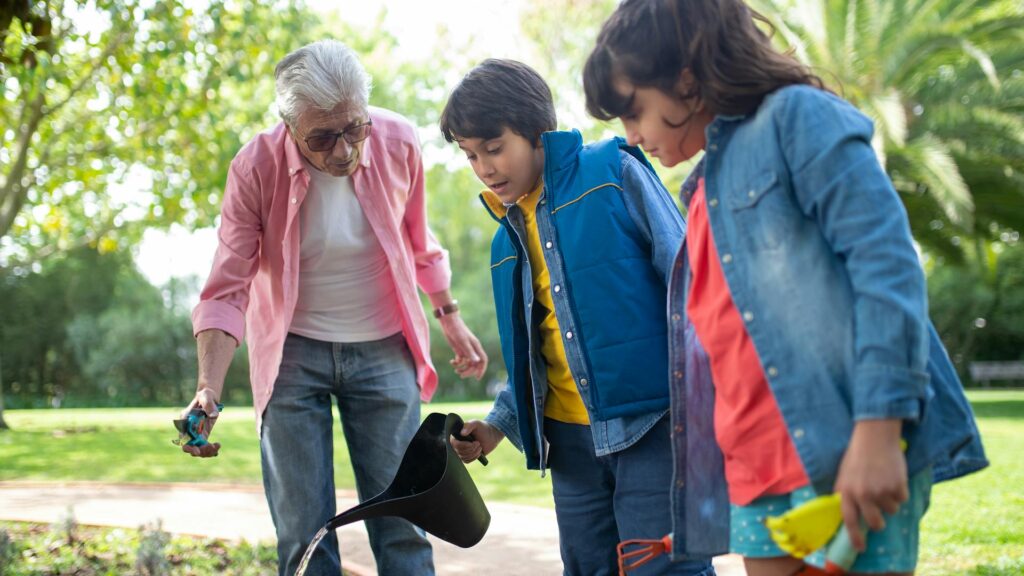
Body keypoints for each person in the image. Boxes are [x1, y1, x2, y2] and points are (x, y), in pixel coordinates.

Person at [582, 1, 989, 575]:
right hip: (754, 474)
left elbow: (887, 266)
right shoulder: (699, 195)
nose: (632, 136)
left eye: (635, 112)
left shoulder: (798, 118)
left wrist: (878, 432)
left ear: (686, 78)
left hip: (845, 451)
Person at [182, 39, 488, 576]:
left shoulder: (396, 141)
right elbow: (228, 287)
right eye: (322, 137)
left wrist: (449, 314)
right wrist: (207, 386)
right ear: (289, 125)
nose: (343, 151)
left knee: (406, 521)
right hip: (291, 354)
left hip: (384, 347)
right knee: (304, 532)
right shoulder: (255, 168)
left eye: (353, 128)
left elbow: (418, 238)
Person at [441, 59, 716, 576]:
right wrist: (499, 425)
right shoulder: (507, 240)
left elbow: (690, 280)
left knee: (663, 567)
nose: (484, 168)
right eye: (470, 155)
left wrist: (713, 397)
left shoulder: (611, 173)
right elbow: (539, 350)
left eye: (494, 148)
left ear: (536, 131)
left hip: (651, 424)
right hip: (569, 444)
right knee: (589, 568)